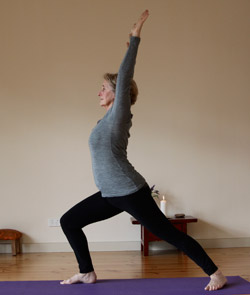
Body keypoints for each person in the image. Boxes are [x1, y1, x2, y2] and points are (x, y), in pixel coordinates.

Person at [60, 10, 227, 291]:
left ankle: (216, 274)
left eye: (103, 88)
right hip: (110, 194)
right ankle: (86, 272)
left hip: (128, 190)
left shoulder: (119, 116)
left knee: (167, 234)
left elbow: (125, 76)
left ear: (118, 93)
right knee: (69, 222)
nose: (98, 92)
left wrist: (134, 39)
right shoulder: (104, 121)